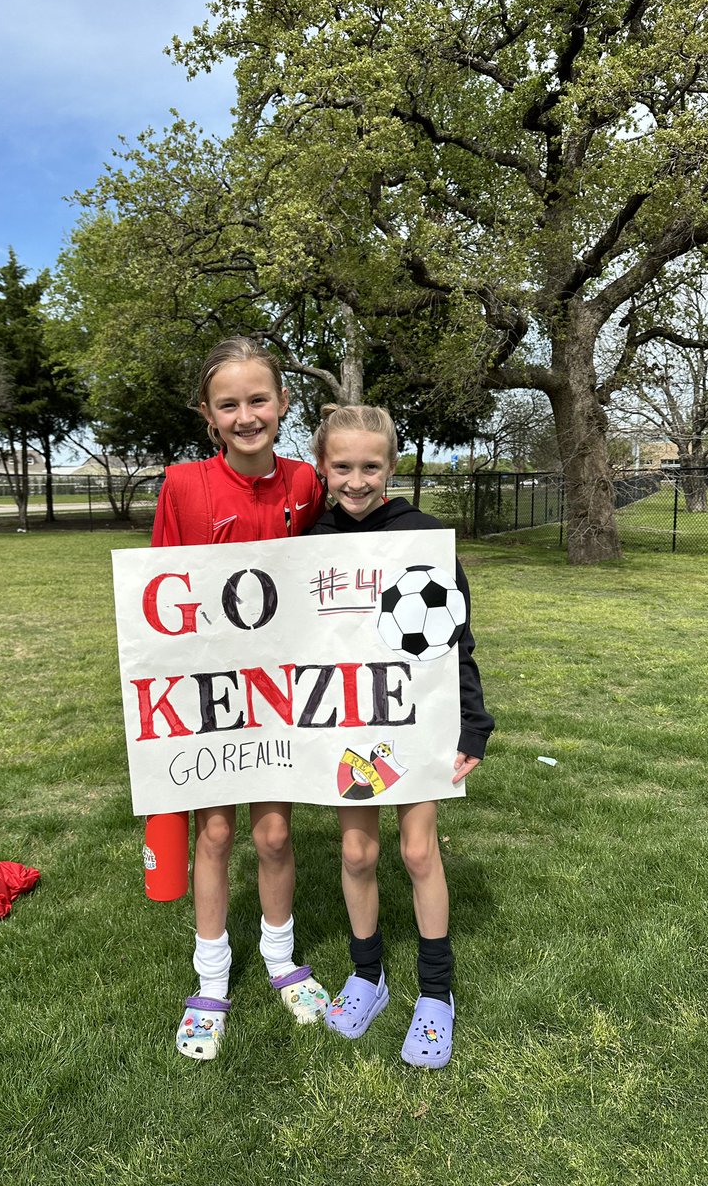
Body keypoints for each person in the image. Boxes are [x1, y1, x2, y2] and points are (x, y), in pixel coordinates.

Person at [151, 336, 331, 1060]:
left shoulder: (308, 485)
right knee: (217, 834)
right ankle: (211, 978)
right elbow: (159, 599)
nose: (247, 414)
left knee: (275, 835)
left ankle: (283, 961)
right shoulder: (183, 486)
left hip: (283, 692)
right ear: (208, 414)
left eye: (260, 399)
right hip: (209, 691)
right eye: (230, 404)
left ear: (284, 403)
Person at [306, 403, 494, 1069]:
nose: (356, 480)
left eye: (370, 466)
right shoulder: (306, 542)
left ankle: (436, 994)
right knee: (356, 855)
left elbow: (456, 645)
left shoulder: (425, 540)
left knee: (418, 853)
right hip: (344, 728)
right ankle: (369, 976)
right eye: (342, 466)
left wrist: (473, 722)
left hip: (414, 727)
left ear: (390, 467)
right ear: (322, 467)